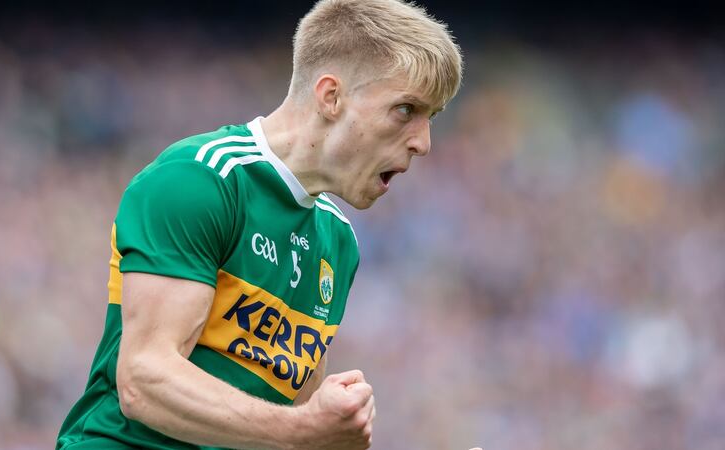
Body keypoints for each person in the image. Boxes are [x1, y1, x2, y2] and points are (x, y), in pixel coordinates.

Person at [56, 0, 462, 448]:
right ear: (331, 97)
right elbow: (144, 381)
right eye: (406, 110)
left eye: (432, 118)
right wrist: (305, 430)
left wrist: (318, 431)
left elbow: (281, 432)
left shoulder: (337, 242)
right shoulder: (201, 180)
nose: (423, 143)